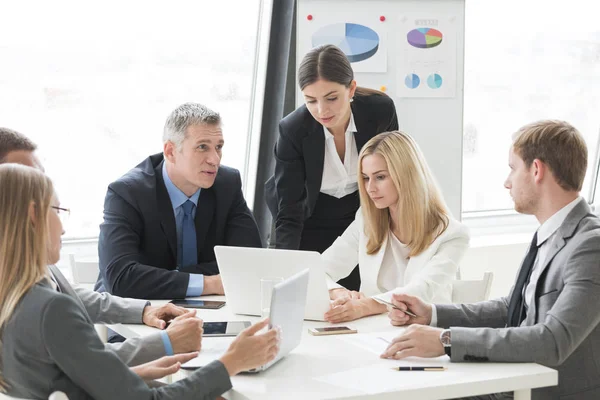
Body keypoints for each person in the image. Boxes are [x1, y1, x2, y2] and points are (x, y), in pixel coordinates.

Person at [0, 163, 280, 399]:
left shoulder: (15, 294)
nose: (63, 226)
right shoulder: (52, 310)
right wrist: (231, 362)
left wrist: (131, 375)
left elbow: (63, 380)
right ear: (34, 215)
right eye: (57, 211)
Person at [383, 120, 600, 400]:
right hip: (512, 380)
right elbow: (513, 307)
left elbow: (552, 340)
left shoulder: (590, 245)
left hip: (546, 392)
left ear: (536, 170)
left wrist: (445, 340)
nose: (506, 181)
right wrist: (433, 314)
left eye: (512, 168)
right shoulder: (549, 232)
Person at [0, 127, 204, 366]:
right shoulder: (15, 279)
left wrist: (143, 310)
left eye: (41, 175)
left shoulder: (20, 252)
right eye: (26, 177)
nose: (41, 186)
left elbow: (65, 291)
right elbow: (90, 365)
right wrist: (168, 343)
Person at [265, 44, 399, 291]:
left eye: (331, 98)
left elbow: (394, 173)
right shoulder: (293, 130)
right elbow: (289, 211)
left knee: (366, 294)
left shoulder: (380, 110)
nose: (321, 110)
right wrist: (283, 271)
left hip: (362, 215)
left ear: (351, 89)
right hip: (310, 220)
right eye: (311, 100)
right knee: (310, 292)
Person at [96, 103, 263, 300]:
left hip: (207, 310)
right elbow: (121, 278)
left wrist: (162, 276)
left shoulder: (227, 184)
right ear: (170, 152)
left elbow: (250, 262)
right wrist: (210, 283)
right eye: (202, 147)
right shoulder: (128, 193)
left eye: (218, 147)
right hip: (136, 314)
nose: (215, 159)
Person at [320, 131, 469, 323]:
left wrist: (365, 306)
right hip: (370, 332)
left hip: (424, 336)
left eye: (380, 177)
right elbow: (319, 270)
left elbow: (419, 290)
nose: (370, 188)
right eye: (365, 178)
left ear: (407, 176)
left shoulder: (453, 235)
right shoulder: (366, 220)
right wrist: (338, 292)